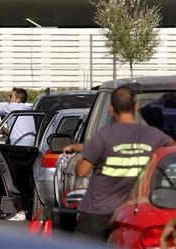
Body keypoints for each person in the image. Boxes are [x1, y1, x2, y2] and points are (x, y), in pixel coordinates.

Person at [64, 85, 175, 241]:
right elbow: (172, 150)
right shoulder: (154, 136)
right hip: (132, 215)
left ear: (111, 109)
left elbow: (82, 171)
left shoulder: (104, 135)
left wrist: (81, 156)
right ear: (136, 106)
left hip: (97, 213)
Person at [0, 87, 35, 221]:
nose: (8, 99)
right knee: (27, 179)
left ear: (17, 99)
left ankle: (20, 211)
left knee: (16, 179)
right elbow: (12, 130)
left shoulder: (14, 108)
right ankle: (27, 208)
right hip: (31, 146)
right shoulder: (28, 109)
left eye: (10, 96)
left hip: (19, 148)